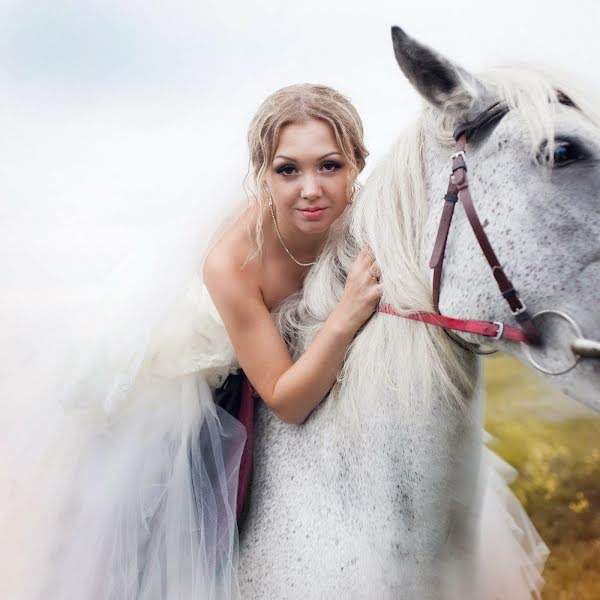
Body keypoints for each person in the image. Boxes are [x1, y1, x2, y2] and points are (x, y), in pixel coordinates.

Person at [0, 83, 546, 600]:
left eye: (329, 165)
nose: (310, 189)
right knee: (159, 522)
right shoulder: (231, 260)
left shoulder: (366, 216)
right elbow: (284, 399)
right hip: (205, 377)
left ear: (358, 163)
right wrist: (346, 315)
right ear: (264, 174)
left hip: (310, 348)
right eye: (288, 170)